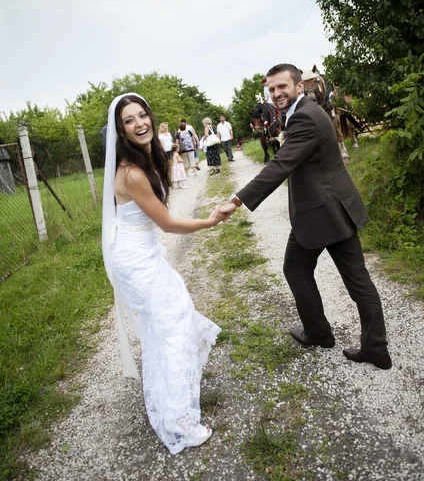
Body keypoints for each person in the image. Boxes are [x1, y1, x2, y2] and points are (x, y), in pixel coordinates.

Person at [219, 64, 391, 370]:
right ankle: (336, 337)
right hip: (331, 208)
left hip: (322, 213)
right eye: (271, 89)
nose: (276, 93)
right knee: (317, 273)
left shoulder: (304, 116)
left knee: (344, 280)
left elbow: (280, 165)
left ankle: (337, 338)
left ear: (299, 86)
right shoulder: (306, 110)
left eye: (282, 86)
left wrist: (237, 200)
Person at [101, 93, 223, 454]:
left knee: (169, 322)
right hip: (136, 258)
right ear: (120, 131)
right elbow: (168, 224)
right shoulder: (132, 172)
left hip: (141, 250)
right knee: (170, 328)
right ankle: (178, 420)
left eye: (143, 116)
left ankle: (172, 400)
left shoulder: (140, 160)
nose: (140, 123)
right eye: (129, 120)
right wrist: (209, 220)